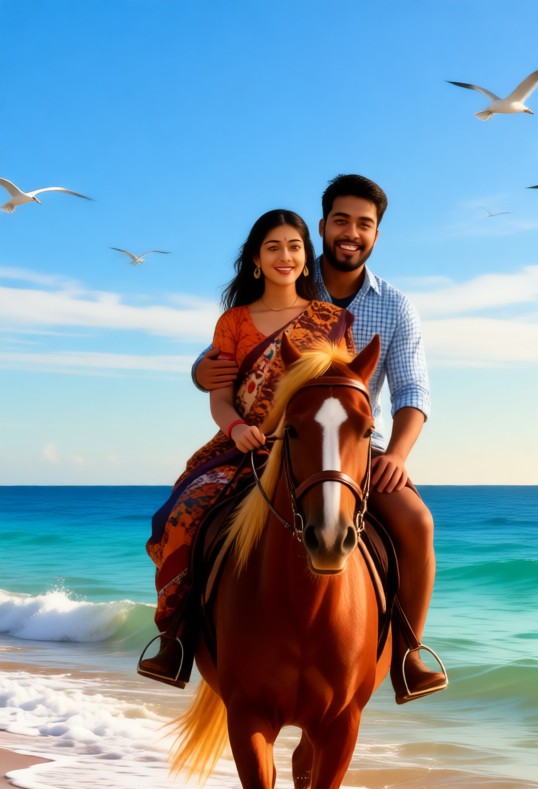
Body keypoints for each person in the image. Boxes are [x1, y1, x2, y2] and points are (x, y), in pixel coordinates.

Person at [192, 174, 447, 703]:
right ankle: (180, 639)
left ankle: (408, 654)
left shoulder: (395, 307)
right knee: (189, 519)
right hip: (267, 440)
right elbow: (230, 356)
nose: (351, 232)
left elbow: (412, 389)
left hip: (353, 444)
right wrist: (201, 371)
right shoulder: (293, 287)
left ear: (376, 234)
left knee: (418, 524)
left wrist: (397, 454)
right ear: (323, 227)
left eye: (365, 224)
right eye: (341, 220)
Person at [139, 209, 355, 685]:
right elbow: (219, 399)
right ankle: (174, 639)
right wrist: (237, 428)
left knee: (394, 525)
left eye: (294, 247)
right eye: (273, 247)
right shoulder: (233, 322)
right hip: (241, 446)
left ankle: (404, 642)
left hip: (309, 449)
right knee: (178, 518)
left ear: (306, 257)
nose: (285, 256)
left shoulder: (332, 320)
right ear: (256, 258)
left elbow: (341, 393)